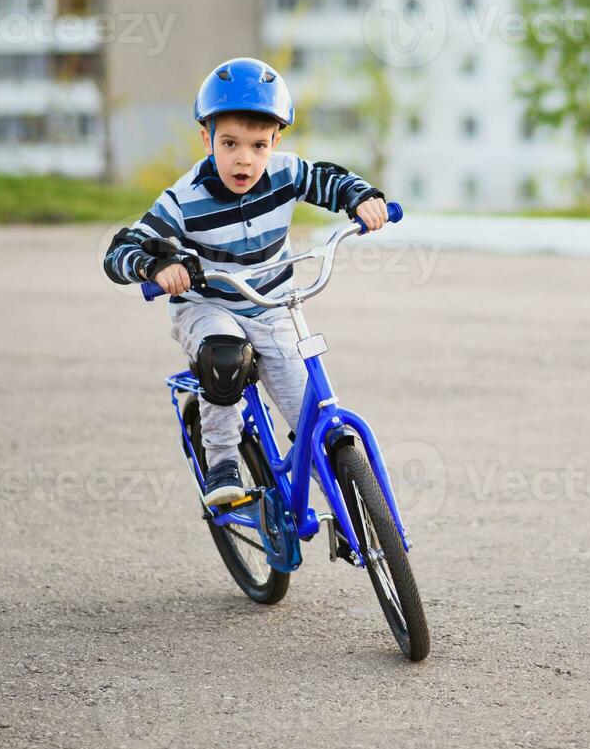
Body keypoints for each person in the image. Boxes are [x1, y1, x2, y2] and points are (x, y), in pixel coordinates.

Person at [103, 57, 388, 507]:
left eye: (259, 145)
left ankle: (353, 510)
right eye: (230, 143)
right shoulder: (185, 199)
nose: (244, 158)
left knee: (311, 418)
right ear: (206, 138)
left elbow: (328, 179)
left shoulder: (285, 173)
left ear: (276, 140)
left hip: (273, 305)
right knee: (225, 357)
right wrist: (155, 268)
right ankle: (221, 462)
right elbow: (121, 250)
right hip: (208, 305)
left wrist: (362, 198)